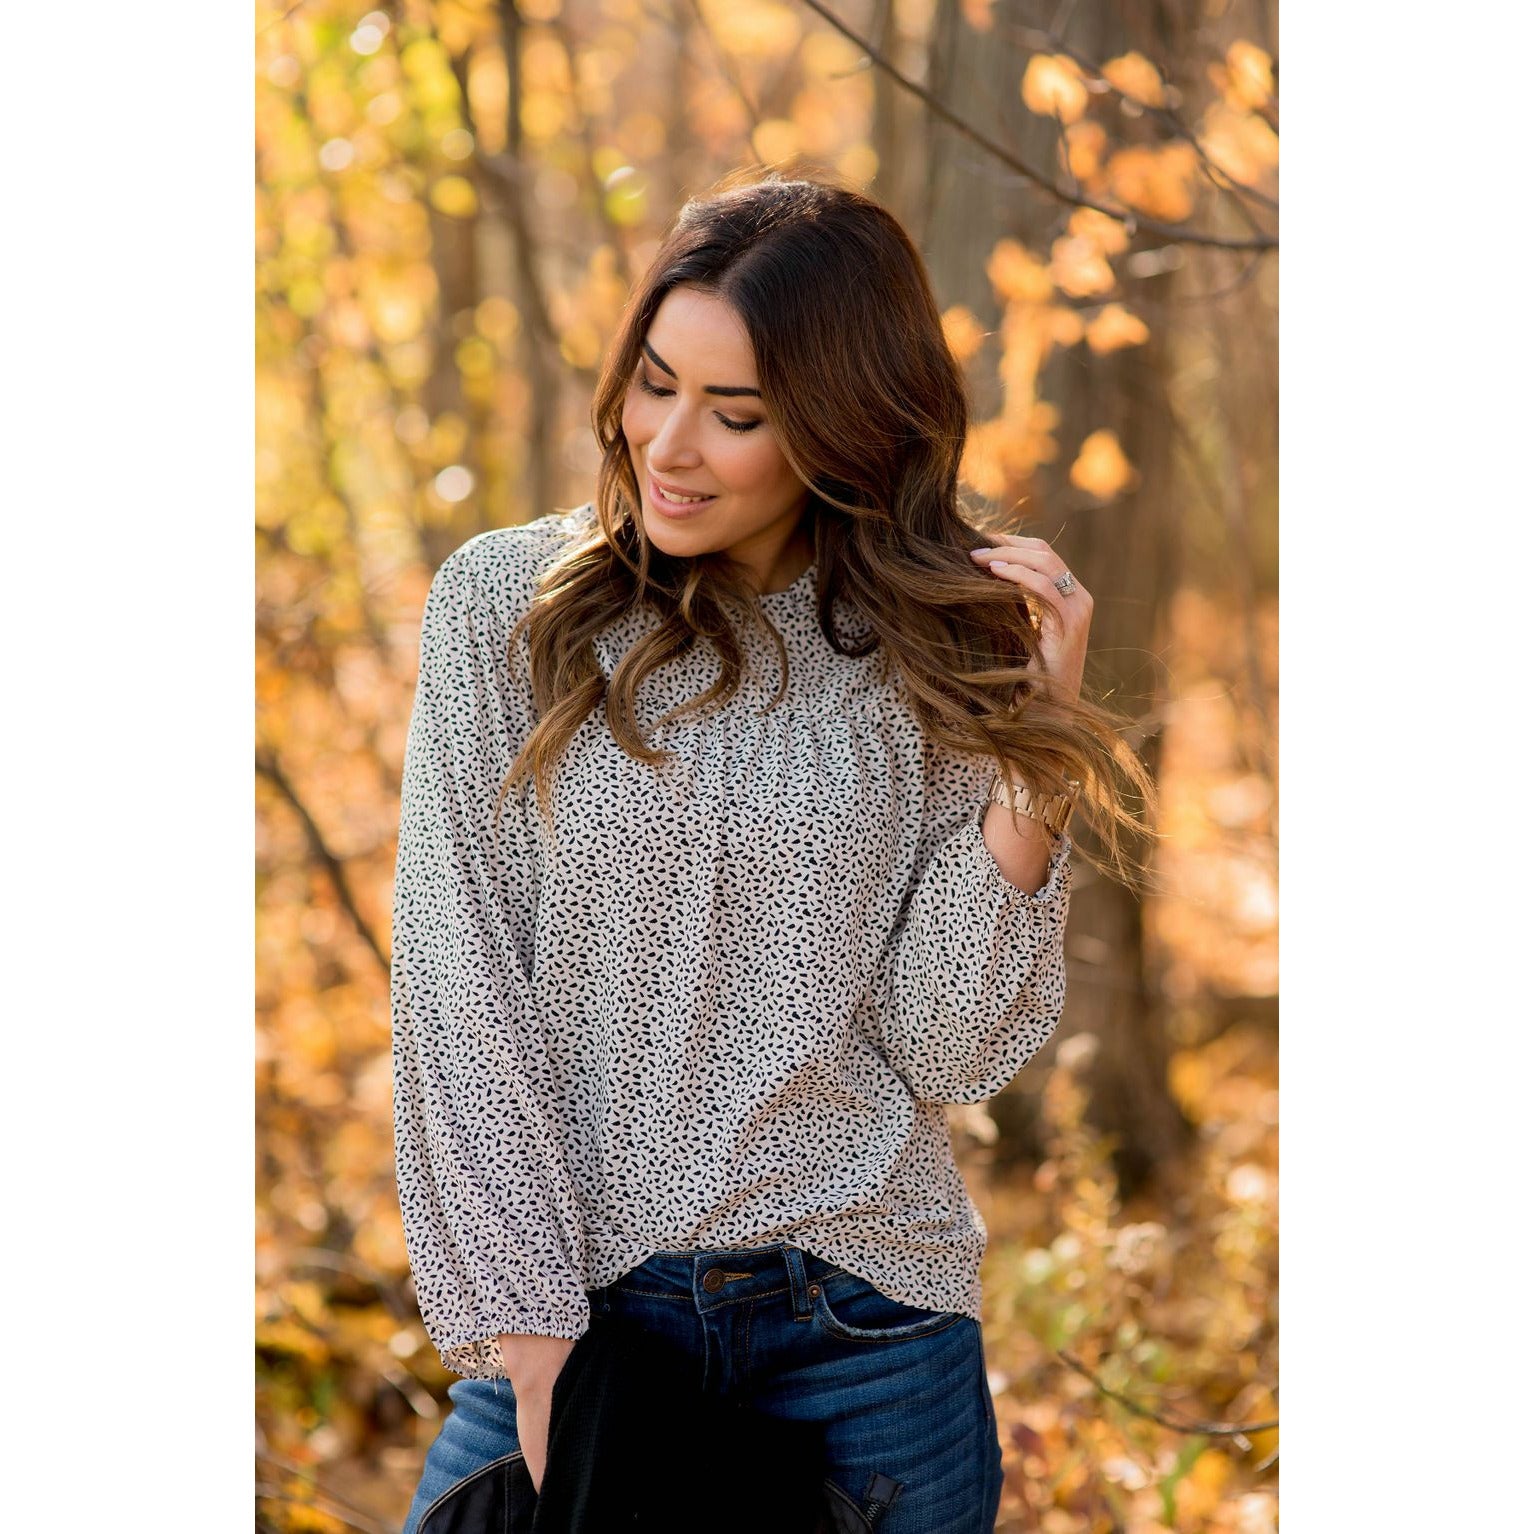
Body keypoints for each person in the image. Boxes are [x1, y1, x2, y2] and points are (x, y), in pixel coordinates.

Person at [391, 171, 1155, 1534]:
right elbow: (460, 993)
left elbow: (948, 1047)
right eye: (655, 384)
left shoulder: (939, 644)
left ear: (844, 427)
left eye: (735, 414)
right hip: (584, 1320)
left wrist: (1033, 756)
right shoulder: (509, 606)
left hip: (865, 1339)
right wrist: (542, 1354)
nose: (670, 443)